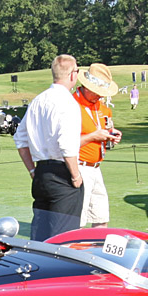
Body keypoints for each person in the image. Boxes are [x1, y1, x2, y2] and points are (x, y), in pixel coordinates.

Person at [14, 54, 84, 240]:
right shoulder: (68, 103)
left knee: (40, 236)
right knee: (64, 239)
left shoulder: (38, 101)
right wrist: (76, 176)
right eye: (77, 71)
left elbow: (20, 141)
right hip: (62, 173)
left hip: (41, 173)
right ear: (71, 75)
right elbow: (67, 145)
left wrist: (31, 170)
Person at [74, 63, 122, 228]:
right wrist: (94, 136)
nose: (100, 97)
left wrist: (111, 134)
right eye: (97, 92)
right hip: (78, 166)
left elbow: (103, 128)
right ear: (86, 87)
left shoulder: (103, 109)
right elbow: (65, 142)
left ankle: (96, 251)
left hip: (96, 167)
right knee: (78, 220)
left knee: (101, 217)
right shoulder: (71, 105)